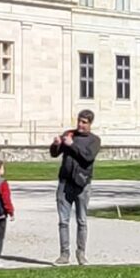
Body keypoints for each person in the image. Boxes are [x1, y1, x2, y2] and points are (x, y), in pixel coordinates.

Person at [49, 109, 101, 265]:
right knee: (63, 221)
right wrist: (56, 145)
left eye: (84, 122)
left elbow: (87, 157)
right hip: (65, 183)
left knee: (82, 221)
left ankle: (81, 253)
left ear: (90, 124)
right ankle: (64, 254)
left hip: (82, 184)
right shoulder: (69, 134)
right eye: (79, 121)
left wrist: (72, 146)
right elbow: (54, 154)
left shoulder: (94, 140)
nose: (80, 124)